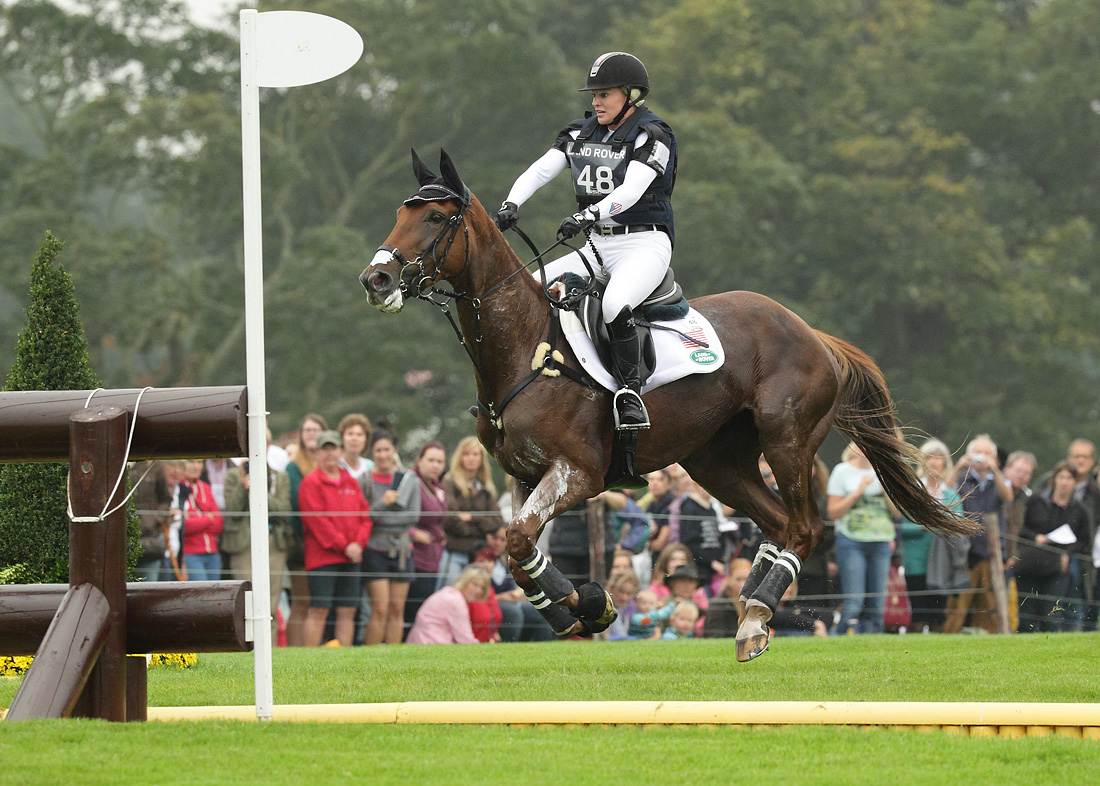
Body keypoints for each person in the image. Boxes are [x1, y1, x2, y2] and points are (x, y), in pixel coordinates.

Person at [495, 52, 676, 431]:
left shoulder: (653, 134)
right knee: (529, 287)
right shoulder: (581, 131)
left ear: (632, 94)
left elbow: (632, 189)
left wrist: (588, 215)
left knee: (614, 304)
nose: (596, 101)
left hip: (644, 244)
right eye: (594, 94)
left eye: (605, 93)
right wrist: (511, 202)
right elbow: (542, 169)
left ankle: (630, 395)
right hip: (597, 246)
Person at [296, 430, 372, 647]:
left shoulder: (350, 482)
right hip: (322, 559)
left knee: (347, 610)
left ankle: (343, 658)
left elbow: (364, 517)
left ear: (341, 450)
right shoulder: (311, 483)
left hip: (351, 557)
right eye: (325, 449)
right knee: (319, 608)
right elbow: (317, 522)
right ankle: (309, 660)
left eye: (334, 448)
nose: (330, 453)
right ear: (318, 452)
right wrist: (345, 545)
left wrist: (358, 544)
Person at [826, 441, 898, 634]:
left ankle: (875, 643)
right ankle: (842, 637)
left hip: (881, 541)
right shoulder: (842, 471)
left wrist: (886, 488)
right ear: (854, 447)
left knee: (877, 601)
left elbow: (897, 513)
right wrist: (857, 492)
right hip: (851, 541)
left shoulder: (885, 471)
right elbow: (833, 513)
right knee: (854, 601)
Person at [943, 434, 1013, 634]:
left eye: (986, 453)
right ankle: (949, 635)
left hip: (991, 551)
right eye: (977, 453)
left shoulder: (998, 479)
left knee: (989, 603)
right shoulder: (962, 477)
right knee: (959, 603)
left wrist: (995, 470)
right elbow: (945, 495)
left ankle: (990, 637)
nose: (981, 458)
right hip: (964, 551)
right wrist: (958, 467)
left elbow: (1007, 497)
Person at [359, 429, 420, 645]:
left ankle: (394, 657)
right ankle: (372, 656)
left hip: (403, 550)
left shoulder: (410, 480)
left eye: (387, 449)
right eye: (378, 450)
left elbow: (413, 516)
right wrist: (382, 504)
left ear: (394, 451)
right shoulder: (364, 480)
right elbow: (364, 516)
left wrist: (381, 518)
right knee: (380, 608)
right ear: (372, 452)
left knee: (397, 608)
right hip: (375, 549)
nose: (383, 455)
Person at [221, 456, 292, 640]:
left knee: (271, 603)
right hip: (243, 546)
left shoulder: (279, 477)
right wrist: (243, 485)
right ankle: (247, 651)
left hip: (273, 544)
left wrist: (259, 486)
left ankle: (272, 652)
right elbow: (233, 510)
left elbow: (284, 509)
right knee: (246, 601)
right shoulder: (233, 475)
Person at [1016, 461, 1091, 632]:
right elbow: (1020, 529)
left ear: (1075, 482)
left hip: (1057, 566)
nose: (1064, 482)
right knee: (1026, 615)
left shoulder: (1079, 510)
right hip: (1030, 562)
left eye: (1069, 478)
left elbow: (1084, 541)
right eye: (1061, 477)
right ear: (1054, 479)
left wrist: (1068, 554)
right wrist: (1036, 537)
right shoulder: (1036, 500)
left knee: (1050, 615)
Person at [899, 439, 961, 633]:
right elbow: (902, 525)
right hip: (916, 561)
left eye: (938, 458)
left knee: (938, 612)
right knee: (917, 611)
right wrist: (925, 527)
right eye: (929, 457)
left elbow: (959, 523)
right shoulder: (911, 491)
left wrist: (940, 525)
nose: (934, 462)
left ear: (945, 462)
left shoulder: (951, 493)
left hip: (942, 563)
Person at [284, 413, 328, 645]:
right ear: (301, 436)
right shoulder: (293, 467)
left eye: (316, 430)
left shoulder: (330, 465)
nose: (311, 434)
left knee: (318, 602)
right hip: (302, 544)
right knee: (301, 601)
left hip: (327, 545)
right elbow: (294, 507)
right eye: (307, 430)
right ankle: (295, 651)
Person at [439, 437, 505, 588]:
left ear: (482, 458)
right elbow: (452, 519)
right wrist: (480, 525)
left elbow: (497, 521)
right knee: (451, 596)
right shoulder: (449, 482)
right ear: (460, 457)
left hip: (478, 557)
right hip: (453, 553)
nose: (471, 458)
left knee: (475, 602)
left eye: (475, 454)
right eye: (467, 454)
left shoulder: (485, 486)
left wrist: (471, 517)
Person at [404, 441, 450, 633]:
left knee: (423, 607)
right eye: (430, 460)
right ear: (419, 461)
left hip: (433, 558)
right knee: (411, 608)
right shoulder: (411, 482)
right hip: (412, 558)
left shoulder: (436, 487)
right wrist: (414, 533)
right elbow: (394, 515)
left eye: (439, 461)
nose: (435, 465)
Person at [484, 525, 554, 642]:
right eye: (495, 538)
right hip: (490, 604)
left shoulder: (507, 560)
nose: (498, 543)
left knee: (541, 610)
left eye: (502, 540)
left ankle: (540, 649)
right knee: (513, 612)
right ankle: (510, 647)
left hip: (510, 602)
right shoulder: (479, 557)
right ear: (487, 537)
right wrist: (499, 598)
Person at [406, 565, 490, 645]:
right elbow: (465, 640)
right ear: (465, 581)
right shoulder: (456, 601)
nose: (478, 591)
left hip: (421, 640)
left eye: (482, 587)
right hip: (431, 643)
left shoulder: (449, 592)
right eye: (475, 585)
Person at [672, 478, 726, 591]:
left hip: (714, 570)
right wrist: (710, 562)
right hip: (699, 570)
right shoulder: (689, 507)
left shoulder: (712, 509)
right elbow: (688, 542)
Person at [180, 459, 224, 582]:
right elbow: (184, 525)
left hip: (212, 552)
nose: (196, 466)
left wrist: (197, 521)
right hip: (190, 553)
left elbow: (219, 523)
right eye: (192, 462)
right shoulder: (178, 487)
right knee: (201, 593)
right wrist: (207, 518)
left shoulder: (205, 487)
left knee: (215, 594)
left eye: (199, 462)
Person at [130, 461, 171, 582]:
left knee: (148, 589)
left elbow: (166, 499)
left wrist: (154, 519)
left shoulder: (155, 465)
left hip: (150, 541)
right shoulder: (117, 462)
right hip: (122, 541)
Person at [469, 547, 504, 642]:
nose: (486, 565)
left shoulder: (490, 590)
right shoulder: (467, 594)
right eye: (481, 561)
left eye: (489, 561)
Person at [337, 413, 373, 482]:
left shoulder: (370, 466)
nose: (354, 438)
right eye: (350, 434)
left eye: (359, 435)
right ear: (342, 437)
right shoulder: (335, 466)